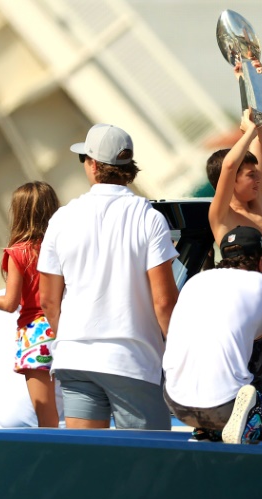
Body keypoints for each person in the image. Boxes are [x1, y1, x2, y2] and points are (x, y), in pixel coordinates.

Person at [38, 123, 179, 430]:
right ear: (128, 168)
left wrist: (73, 336)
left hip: (75, 359)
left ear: (92, 165)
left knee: (86, 463)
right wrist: (181, 353)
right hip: (132, 360)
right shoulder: (149, 218)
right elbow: (164, 301)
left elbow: (47, 299)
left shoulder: (62, 218)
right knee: (148, 464)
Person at [162, 226, 262, 447]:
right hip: (224, 403)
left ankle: (214, 430)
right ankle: (260, 413)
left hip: (176, 403)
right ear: (260, 260)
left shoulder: (195, 282)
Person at [207, 59, 262, 399]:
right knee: (235, 398)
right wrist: (246, 131)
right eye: (249, 176)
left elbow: (258, 149)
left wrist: (250, 84)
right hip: (238, 323)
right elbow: (232, 163)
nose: (257, 178)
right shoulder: (222, 217)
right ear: (231, 182)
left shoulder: (254, 210)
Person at [0, 182, 61, 427]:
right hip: (67, 328)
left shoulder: (17, 253)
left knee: (47, 418)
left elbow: (10, 304)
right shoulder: (63, 246)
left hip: (35, 335)